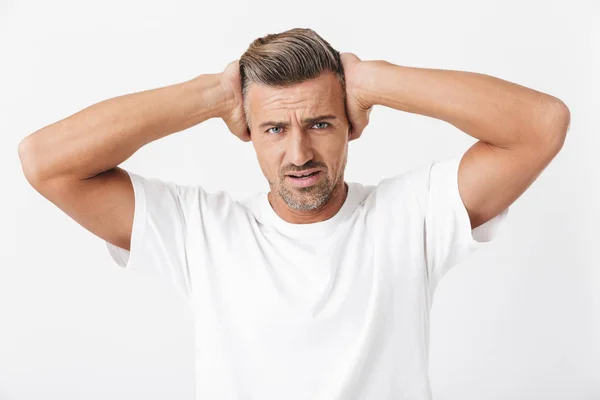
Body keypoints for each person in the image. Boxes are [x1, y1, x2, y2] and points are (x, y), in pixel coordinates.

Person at [18, 28, 569, 399]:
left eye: (321, 123)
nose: (299, 153)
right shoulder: (200, 231)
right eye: (275, 129)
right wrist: (212, 93)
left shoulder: (412, 216)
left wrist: (375, 79)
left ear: (353, 123)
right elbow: (46, 161)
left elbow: (541, 125)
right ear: (246, 132)